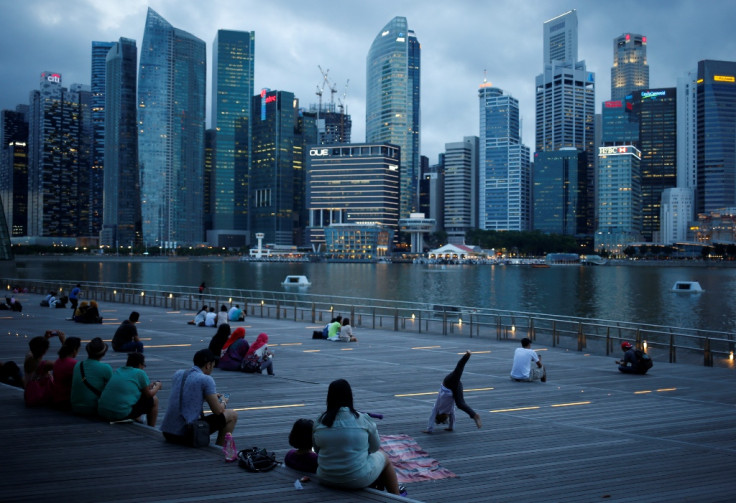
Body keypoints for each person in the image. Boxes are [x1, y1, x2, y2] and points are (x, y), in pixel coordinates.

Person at [312, 379, 401, 495]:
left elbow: (317, 450)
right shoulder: (363, 419)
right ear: (350, 396)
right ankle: (397, 497)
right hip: (356, 479)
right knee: (384, 457)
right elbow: (374, 448)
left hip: (325, 477)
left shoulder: (319, 421)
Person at [160, 349, 238, 446]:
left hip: (167, 432)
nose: (212, 369)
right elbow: (218, 411)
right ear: (208, 365)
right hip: (185, 433)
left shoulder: (179, 373)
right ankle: (220, 449)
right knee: (232, 415)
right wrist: (223, 400)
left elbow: (186, 396)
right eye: (213, 366)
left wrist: (208, 396)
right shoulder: (206, 379)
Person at [423, 351, 482, 433]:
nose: (448, 417)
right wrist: (451, 427)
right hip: (455, 388)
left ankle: (467, 355)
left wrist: (429, 429)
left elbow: (432, 417)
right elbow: (451, 417)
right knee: (460, 404)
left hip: (448, 384)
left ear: (442, 416)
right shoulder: (449, 410)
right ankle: (475, 415)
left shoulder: (437, 408)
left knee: (457, 372)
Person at [98, 352, 161, 426]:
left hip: (102, 412)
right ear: (140, 364)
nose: (144, 367)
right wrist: (157, 386)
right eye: (144, 365)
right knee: (154, 400)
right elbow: (149, 395)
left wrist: (148, 386)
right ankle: (151, 428)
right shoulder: (140, 372)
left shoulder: (119, 370)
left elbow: (131, 387)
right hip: (120, 414)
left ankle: (136, 418)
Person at [70, 337, 113, 416]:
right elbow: (113, 388)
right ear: (103, 353)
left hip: (75, 407)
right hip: (93, 408)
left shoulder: (78, 365)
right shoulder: (106, 368)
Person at [23, 331, 66, 406]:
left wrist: (45, 339)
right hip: (42, 396)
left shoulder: (28, 357)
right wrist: (63, 342)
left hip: (30, 393)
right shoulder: (45, 365)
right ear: (45, 351)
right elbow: (65, 363)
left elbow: (35, 348)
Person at [51, 336, 82, 408]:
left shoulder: (58, 361)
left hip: (56, 398)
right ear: (75, 350)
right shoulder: (74, 364)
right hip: (66, 400)